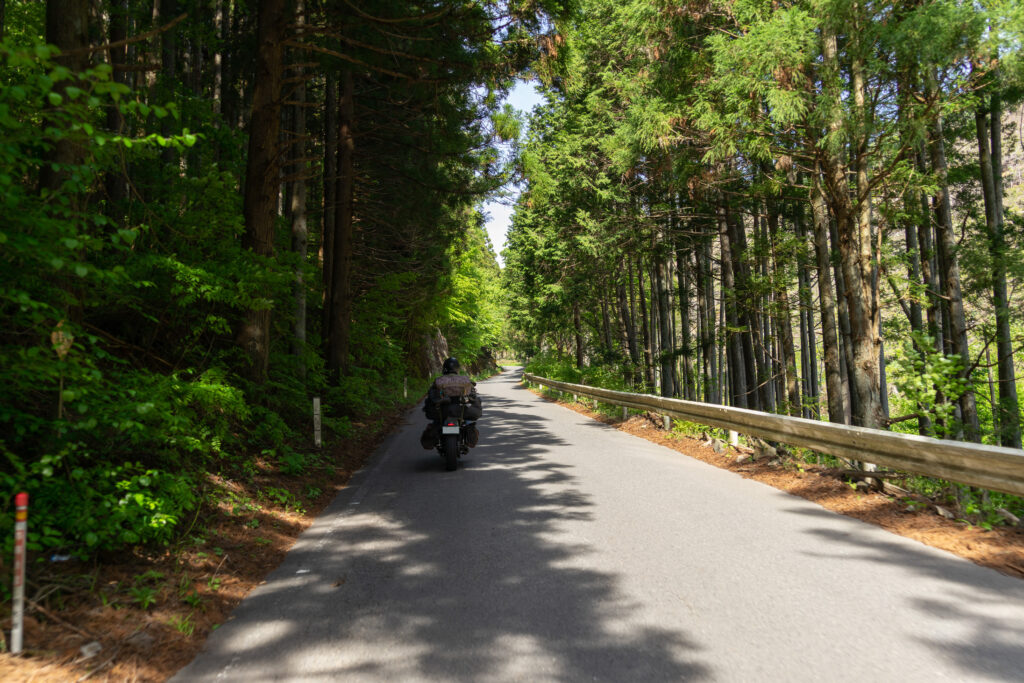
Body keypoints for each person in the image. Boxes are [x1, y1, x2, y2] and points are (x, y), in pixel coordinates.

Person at [420, 357, 481, 449]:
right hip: (461, 410)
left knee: (436, 423)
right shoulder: (465, 380)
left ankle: (432, 440)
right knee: (468, 421)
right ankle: (470, 435)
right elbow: (472, 395)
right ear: (457, 368)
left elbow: (431, 396)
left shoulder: (438, 380)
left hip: (443, 410)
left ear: (445, 368)